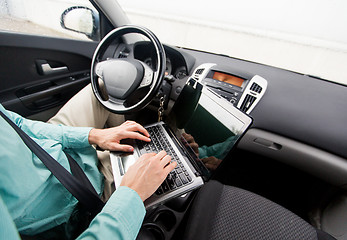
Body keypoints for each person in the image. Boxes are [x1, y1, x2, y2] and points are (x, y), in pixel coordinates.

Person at [0, 84, 177, 239]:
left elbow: (17, 124)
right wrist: (131, 195)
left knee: (108, 86)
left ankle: (127, 144)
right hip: (77, 197)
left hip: (50, 148)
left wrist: (92, 135)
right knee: (173, 170)